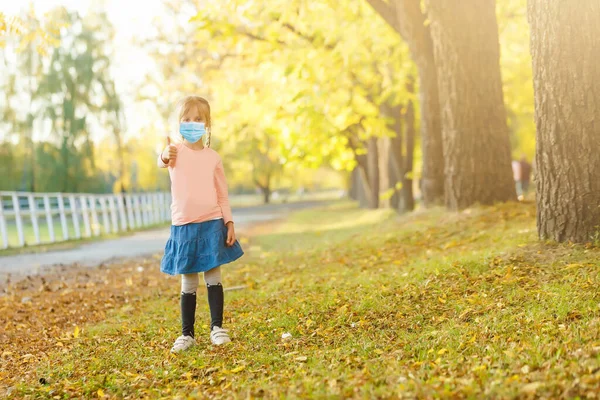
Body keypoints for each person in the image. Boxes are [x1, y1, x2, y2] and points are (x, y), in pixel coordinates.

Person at [158, 95, 244, 352]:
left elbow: (222, 193)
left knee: (213, 276)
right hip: (184, 225)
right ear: (179, 123)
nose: (192, 124)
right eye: (186, 119)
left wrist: (228, 221)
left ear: (207, 124)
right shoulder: (174, 152)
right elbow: (162, 160)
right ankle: (187, 334)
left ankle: (217, 328)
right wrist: (164, 154)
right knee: (188, 280)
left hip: (211, 222)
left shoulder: (212, 158)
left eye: (198, 119)